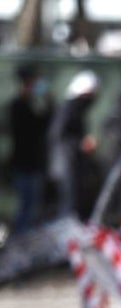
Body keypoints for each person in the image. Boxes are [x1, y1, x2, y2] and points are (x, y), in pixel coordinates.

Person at [7, 64, 53, 234]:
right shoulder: (19, 106)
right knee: (27, 208)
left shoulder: (26, 105)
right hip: (26, 165)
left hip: (30, 164)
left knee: (30, 207)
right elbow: (38, 126)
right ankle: (21, 241)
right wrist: (47, 100)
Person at [48, 69, 100, 219]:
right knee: (68, 205)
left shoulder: (76, 111)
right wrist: (80, 144)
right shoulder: (69, 109)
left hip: (71, 165)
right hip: (66, 166)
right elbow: (58, 135)